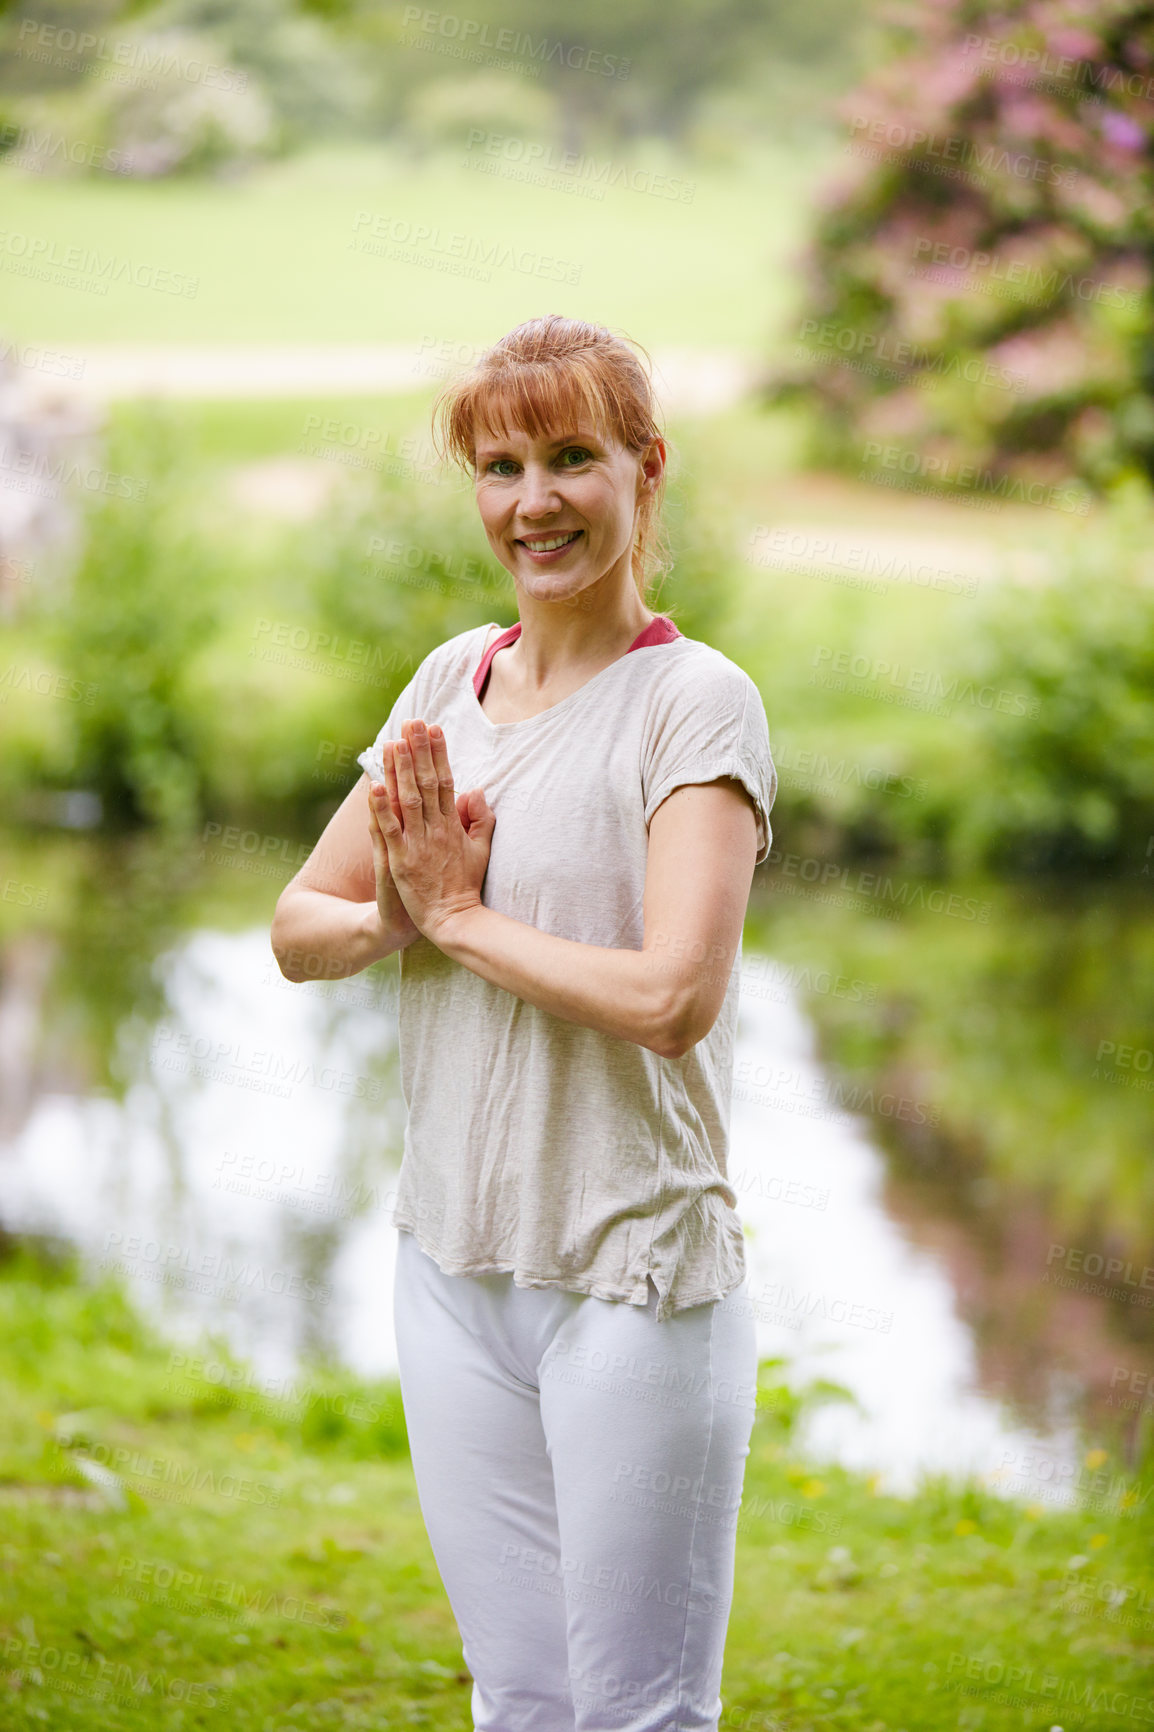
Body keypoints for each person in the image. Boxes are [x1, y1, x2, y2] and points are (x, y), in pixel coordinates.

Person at [270, 314, 777, 1732]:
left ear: (643, 469)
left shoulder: (694, 705)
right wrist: (390, 917)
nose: (532, 500)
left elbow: (673, 1000)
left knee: (637, 1714)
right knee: (518, 1699)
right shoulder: (451, 683)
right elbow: (299, 922)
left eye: (570, 458)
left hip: (631, 1281)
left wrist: (462, 922)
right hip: (451, 1268)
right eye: (500, 467)